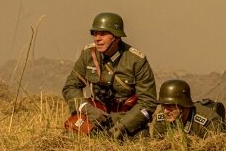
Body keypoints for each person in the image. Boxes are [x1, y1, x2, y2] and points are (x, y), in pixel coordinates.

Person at [62, 12, 157, 140]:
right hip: (94, 117)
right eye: (95, 33)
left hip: (125, 120)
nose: (97, 38)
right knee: (69, 138)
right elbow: (70, 88)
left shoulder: (136, 61)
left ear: (116, 37)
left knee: (141, 141)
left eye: (102, 34)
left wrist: (122, 127)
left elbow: (148, 102)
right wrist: (87, 109)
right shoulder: (88, 55)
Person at [151, 79, 226, 139]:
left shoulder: (208, 121)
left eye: (170, 106)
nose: (165, 111)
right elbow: (158, 146)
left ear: (183, 105)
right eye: (163, 105)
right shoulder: (161, 118)